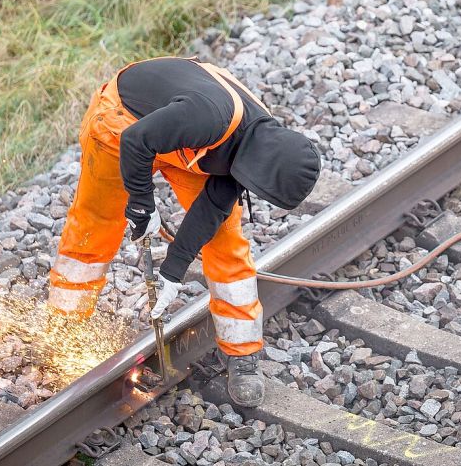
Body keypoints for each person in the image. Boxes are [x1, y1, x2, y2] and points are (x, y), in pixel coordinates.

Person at [47, 56, 320, 406]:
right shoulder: (208, 117)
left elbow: (211, 211)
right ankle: (64, 326)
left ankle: (242, 352)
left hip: (188, 140)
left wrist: (172, 270)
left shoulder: (262, 147)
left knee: (226, 243)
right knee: (96, 226)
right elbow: (136, 141)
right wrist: (143, 205)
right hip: (125, 122)